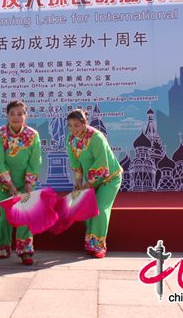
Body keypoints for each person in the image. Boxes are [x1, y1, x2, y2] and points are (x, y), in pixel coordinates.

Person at [66, 108, 123, 259]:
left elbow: (101, 163)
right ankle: (91, 244)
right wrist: (79, 181)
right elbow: (75, 161)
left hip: (110, 178)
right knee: (88, 210)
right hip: (91, 181)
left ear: (85, 123)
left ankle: (99, 246)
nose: (73, 129)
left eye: (76, 125)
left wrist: (89, 183)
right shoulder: (71, 139)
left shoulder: (96, 137)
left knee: (100, 208)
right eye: (70, 125)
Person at [0, 100, 41, 265]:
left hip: (26, 183)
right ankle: (3, 245)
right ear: (7, 116)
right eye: (12, 113)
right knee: (5, 216)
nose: (16, 117)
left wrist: (29, 182)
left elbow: (35, 161)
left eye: (20, 114)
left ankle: (25, 250)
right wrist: (10, 185)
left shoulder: (32, 135)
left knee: (25, 216)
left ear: (26, 116)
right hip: (6, 183)